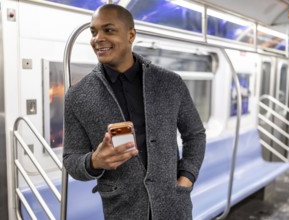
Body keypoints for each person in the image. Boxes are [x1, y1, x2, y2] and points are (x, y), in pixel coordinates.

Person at [63, 4, 206, 220]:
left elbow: (194, 134)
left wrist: (187, 177)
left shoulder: (169, 83)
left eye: (108, 30)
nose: (98, 38)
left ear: (131, 35)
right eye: (94, 32)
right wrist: (94, 161)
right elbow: (70, 158)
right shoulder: (78, 96)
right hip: (122, 210)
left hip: (173, 206)